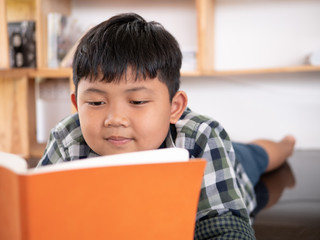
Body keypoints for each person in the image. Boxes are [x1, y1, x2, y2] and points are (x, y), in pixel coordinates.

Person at [37, 13, 295, 239]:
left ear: (174, 107)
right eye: (95, 102)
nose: (115, 119)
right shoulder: (67, 136)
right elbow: (40, 211)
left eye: (137, 101)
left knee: (259, 155)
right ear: (76, 104)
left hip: (228, 172)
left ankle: (287, 143)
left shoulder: (202, 137)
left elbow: (223, 225)